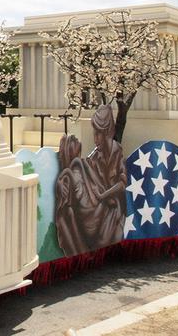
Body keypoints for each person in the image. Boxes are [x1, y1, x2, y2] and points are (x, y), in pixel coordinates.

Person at [53, 105, 127, 256]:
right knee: (69, 209)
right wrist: (64, 178)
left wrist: (103, 195)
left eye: (98, 134)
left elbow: (122, 183)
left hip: (110, 208)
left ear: (107, 132)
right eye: (94, 134)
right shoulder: (96, 155)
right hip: (96, 202)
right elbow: (85, 169)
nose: (95, 139)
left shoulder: (116, 151)